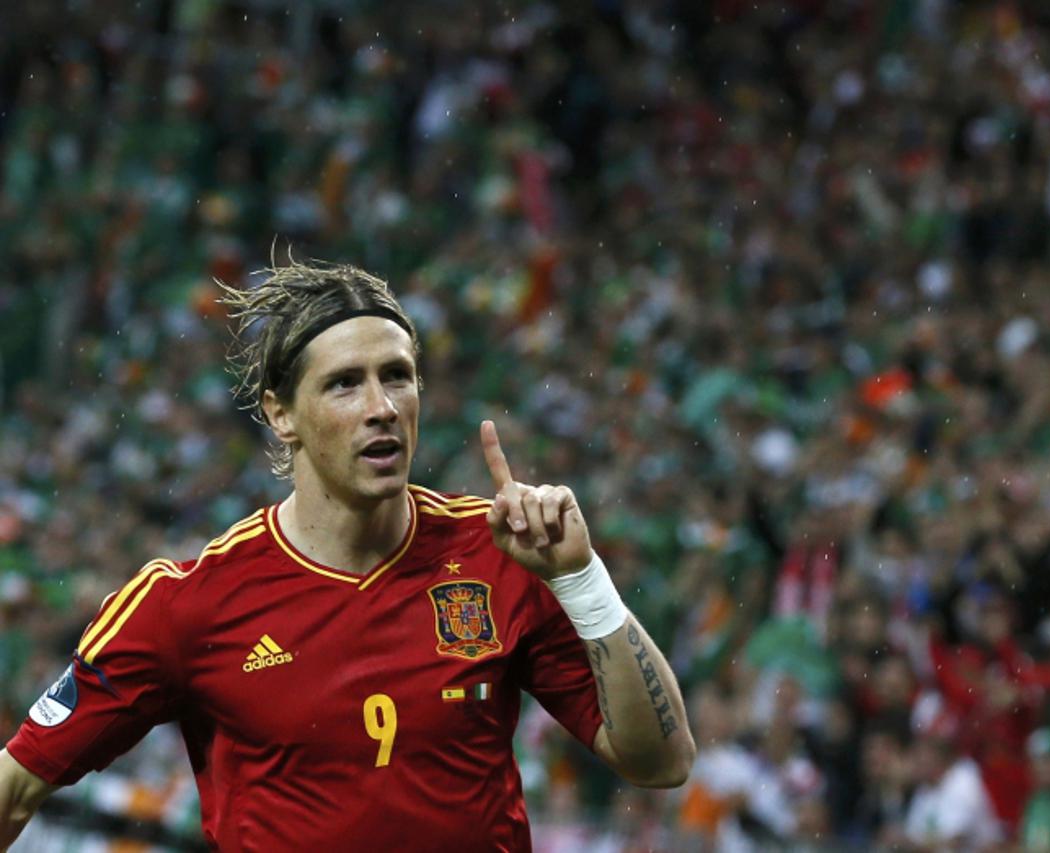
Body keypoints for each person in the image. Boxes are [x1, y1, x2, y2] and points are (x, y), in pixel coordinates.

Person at [0, 261, 695, 851]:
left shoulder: (502, 557)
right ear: (281, 413)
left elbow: (660, 761)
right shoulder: (187, 603)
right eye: (344, 383)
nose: (382, 406)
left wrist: (580, 578)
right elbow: (17, 786)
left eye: (397, 376)